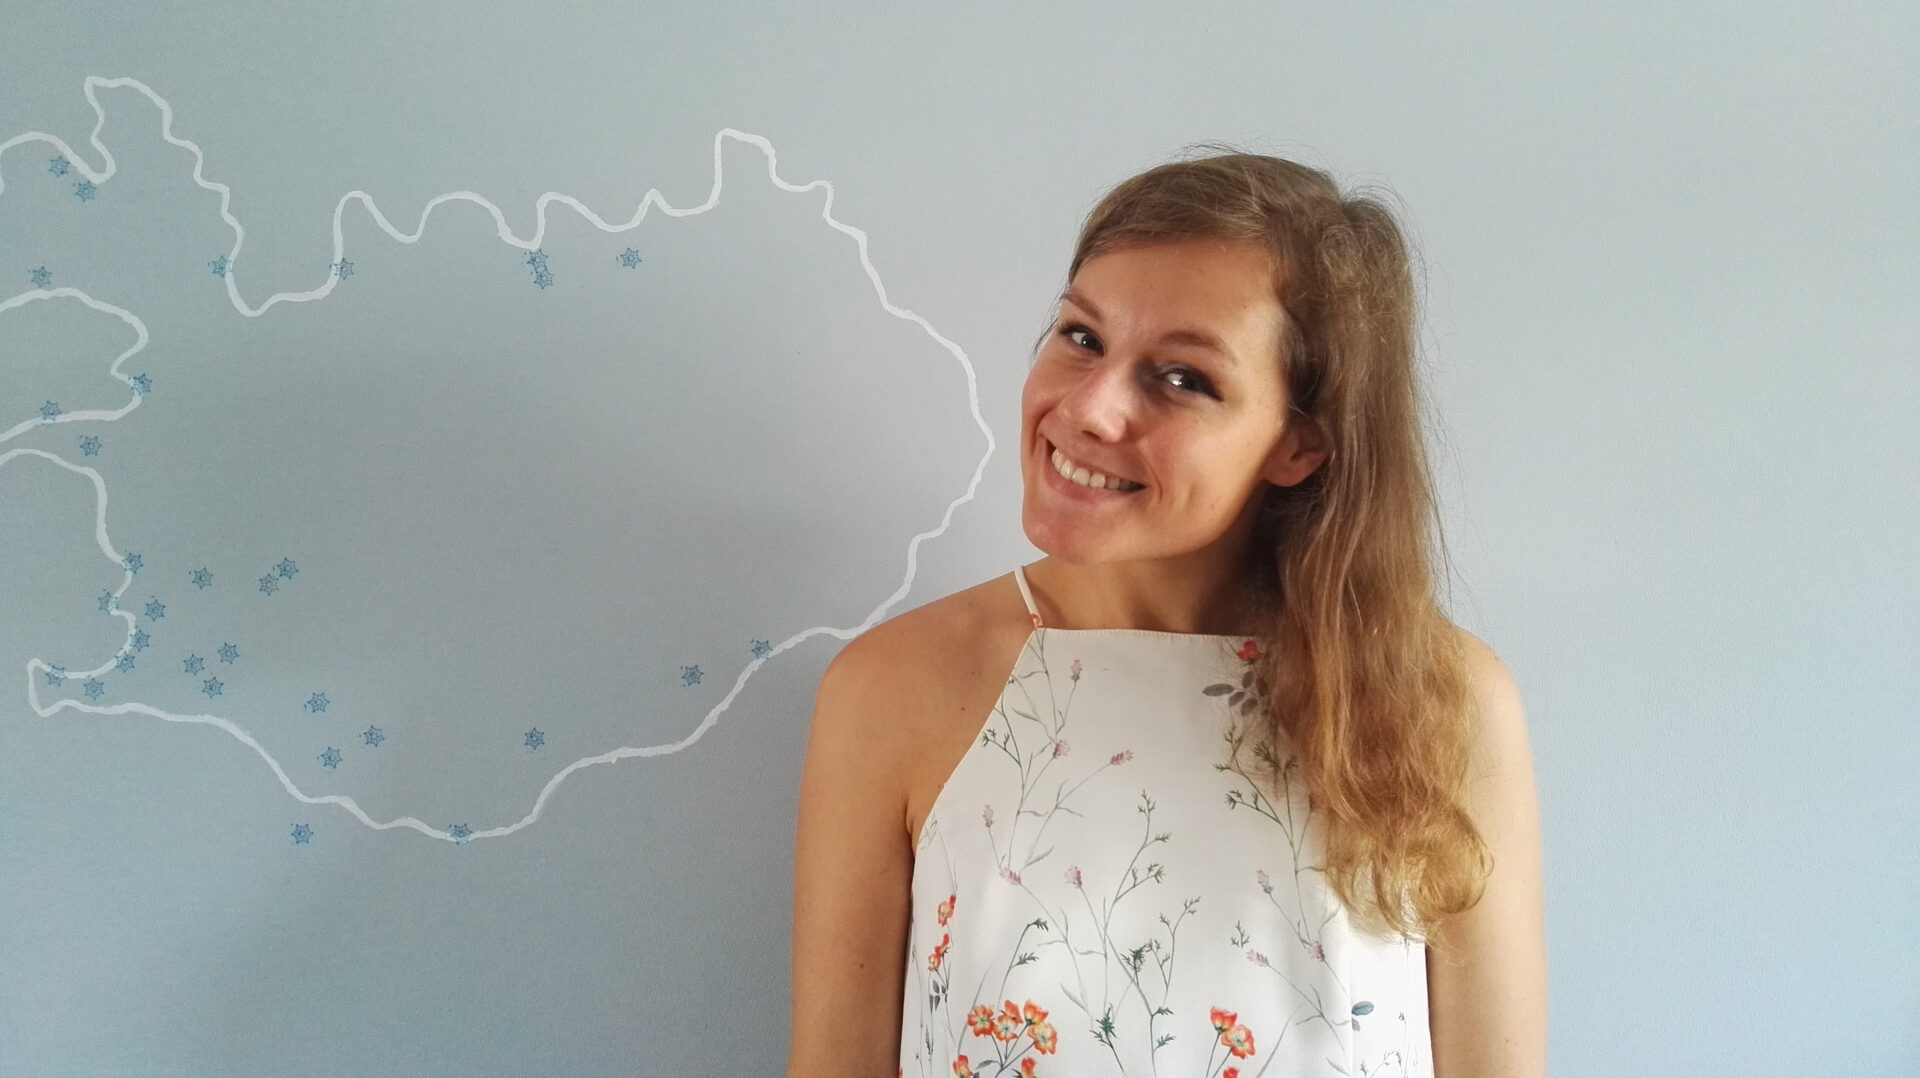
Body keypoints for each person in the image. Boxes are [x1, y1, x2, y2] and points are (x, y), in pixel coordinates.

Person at [789, 147, 1545, 1077]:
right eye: (1081, 337)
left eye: (1183, 378)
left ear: (1300, 444)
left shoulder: (1444, 699)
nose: (1090, 410)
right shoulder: (890, 689)